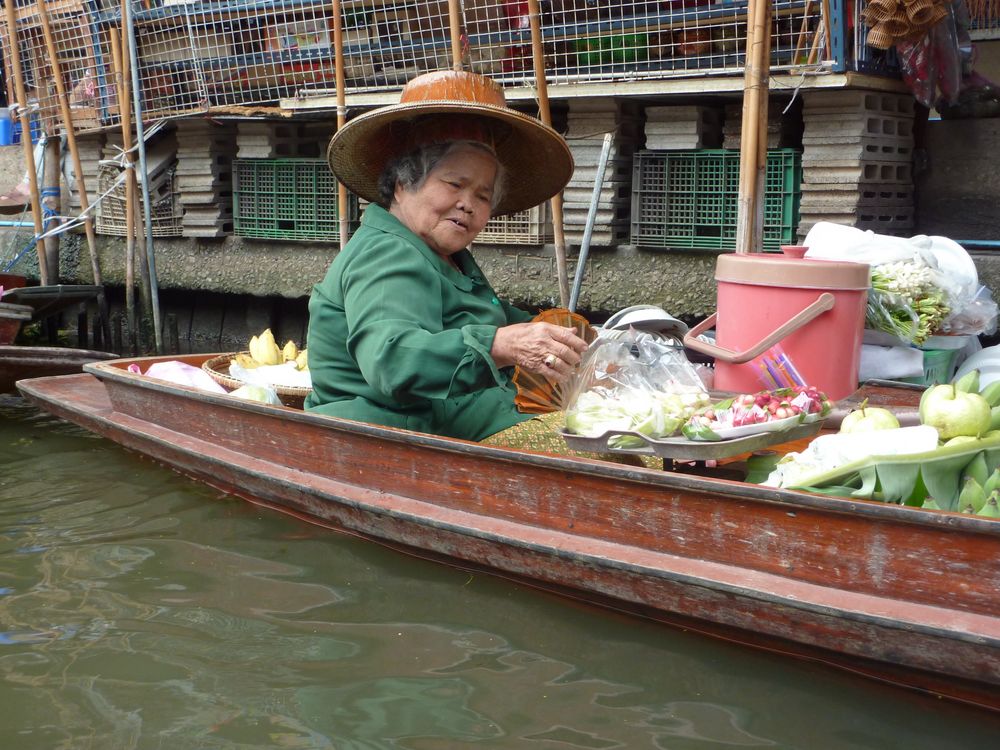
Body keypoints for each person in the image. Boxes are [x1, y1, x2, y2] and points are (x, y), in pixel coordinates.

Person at [305, 70, 589, 441]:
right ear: (404, 184)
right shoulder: (387, 252)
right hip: (394, 441)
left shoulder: (441, 256)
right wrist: (502, 345)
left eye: (483, 196)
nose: (467, 205)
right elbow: (392, 360)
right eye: (454, 184)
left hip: (465, 426)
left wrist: (571, 337)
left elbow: (494, 318)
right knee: (609, 446)